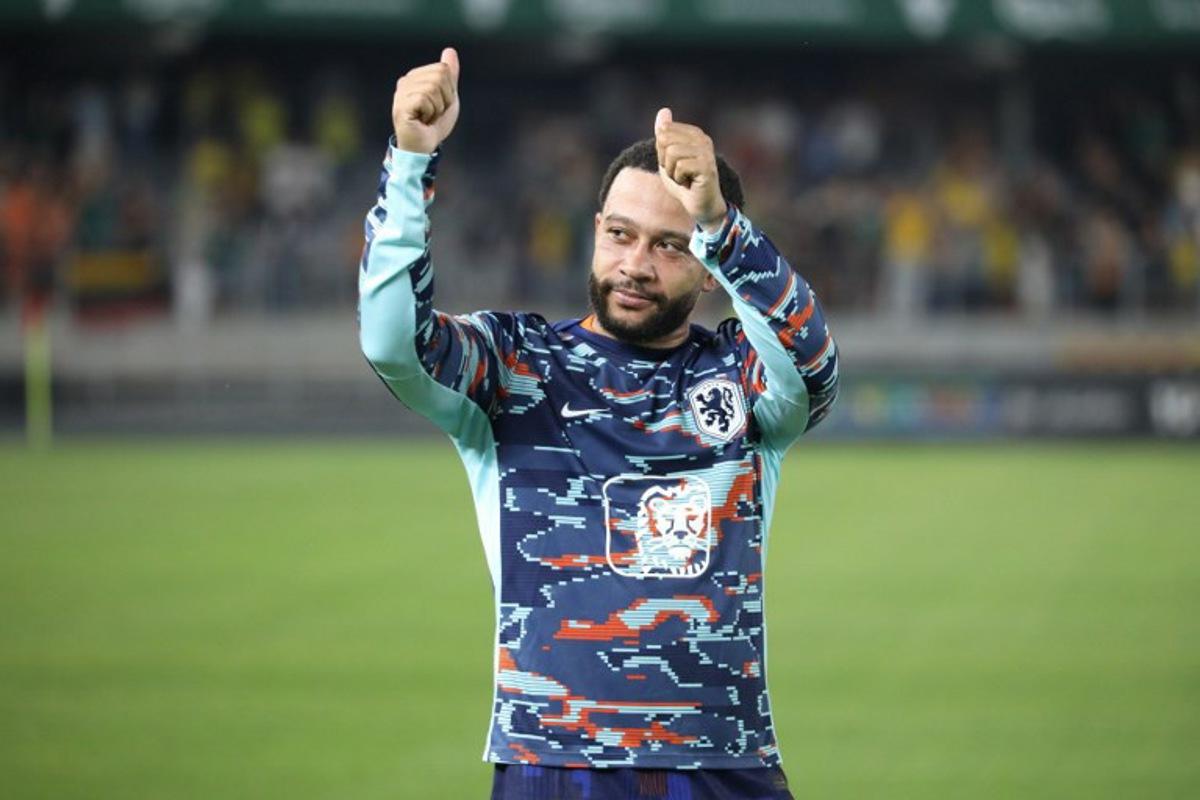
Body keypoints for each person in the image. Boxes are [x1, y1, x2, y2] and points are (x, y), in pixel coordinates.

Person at [359, 48, 839, 800]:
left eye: (670, 245)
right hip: (555, 760)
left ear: (710, 263)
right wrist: (411, 162)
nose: (636, 263)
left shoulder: (742, 380)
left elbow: (814, 365)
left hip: (721, 764)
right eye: (620, 234)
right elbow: (393, 344)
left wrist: (721, 220)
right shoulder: (515, 368)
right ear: (594, 231)